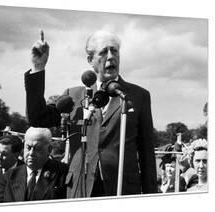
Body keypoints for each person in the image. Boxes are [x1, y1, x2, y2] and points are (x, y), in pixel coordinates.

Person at [24, 30, 157, 197]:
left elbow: (147, 155)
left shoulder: (138, 96)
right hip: (80, 188)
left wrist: (151, 196)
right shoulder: (74, 95)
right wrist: (38, 67)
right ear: (90, 60)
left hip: (122, 189)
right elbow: (37, 118)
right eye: (103, 52)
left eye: (114, 50)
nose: (110, 57)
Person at [0, 127, 69, 202]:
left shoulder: (63, 173)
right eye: (28, 147)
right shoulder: (9, 177)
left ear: (49, 149)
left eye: (37, 148)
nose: (31, 153)